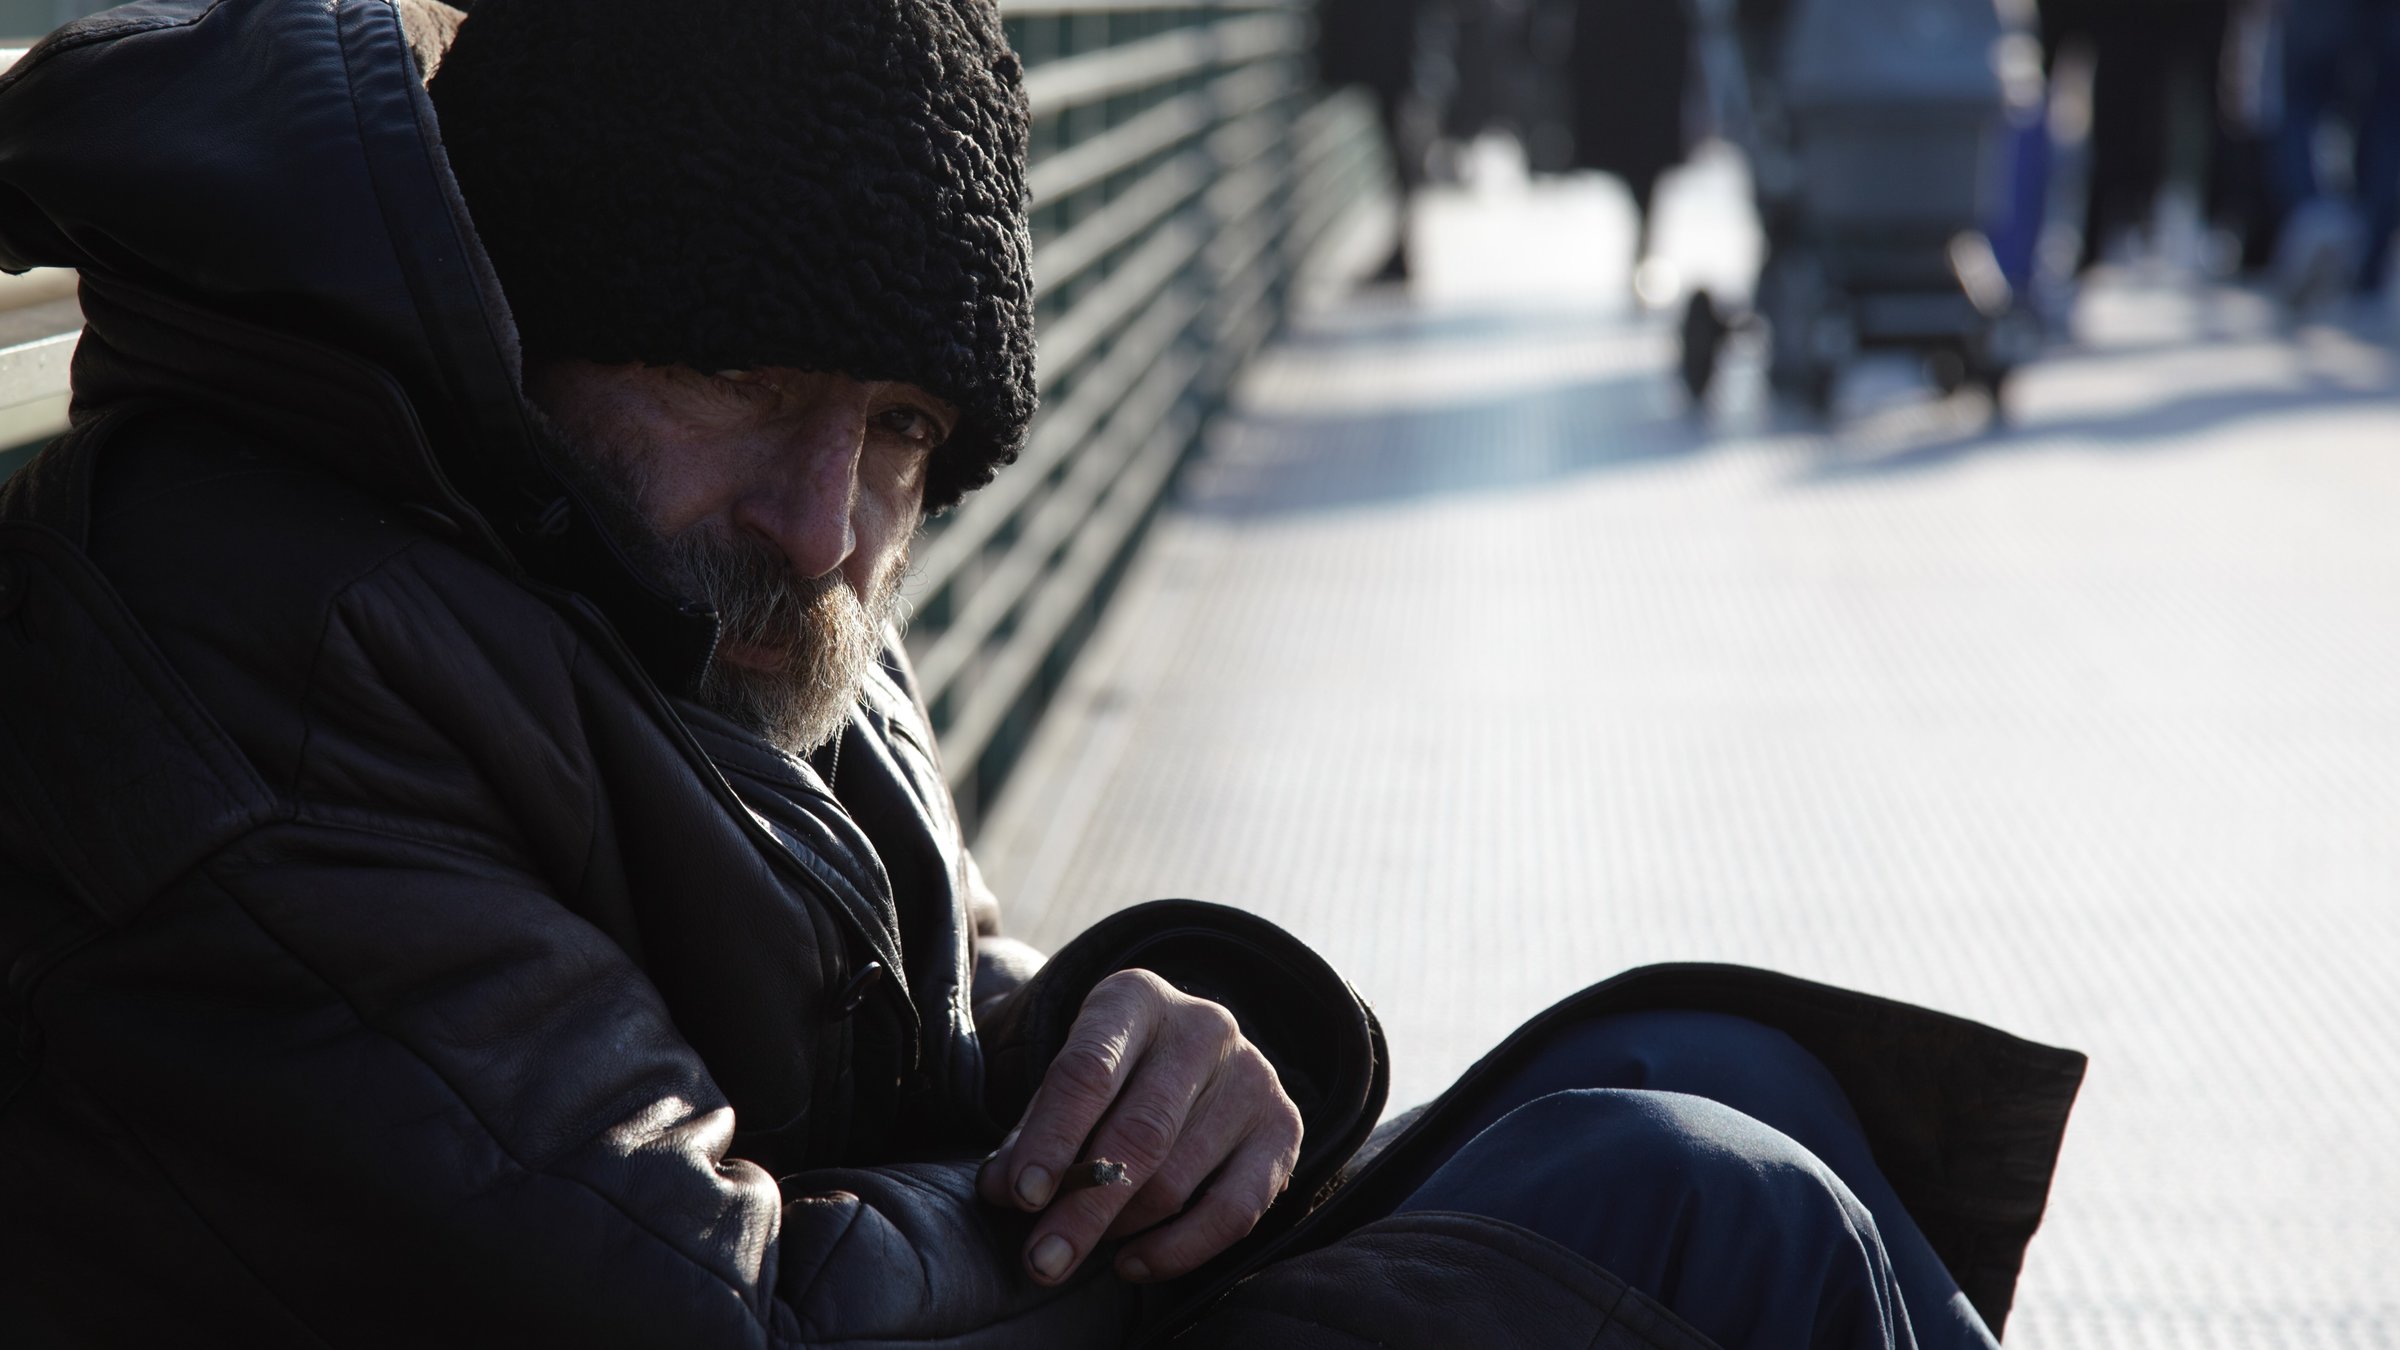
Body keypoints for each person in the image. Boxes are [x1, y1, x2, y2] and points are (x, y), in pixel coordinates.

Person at [0, 1, 2084, 1346]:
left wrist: (1147, 1044)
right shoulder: (272, 664)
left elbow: (931, 990)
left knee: (1742, 1088)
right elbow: (681, 1303)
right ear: (516, 320)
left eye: (905, 434)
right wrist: (1090, 1214)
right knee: (1703, 1211)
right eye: (738, 377)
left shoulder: (681, 579)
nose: (830, 526)